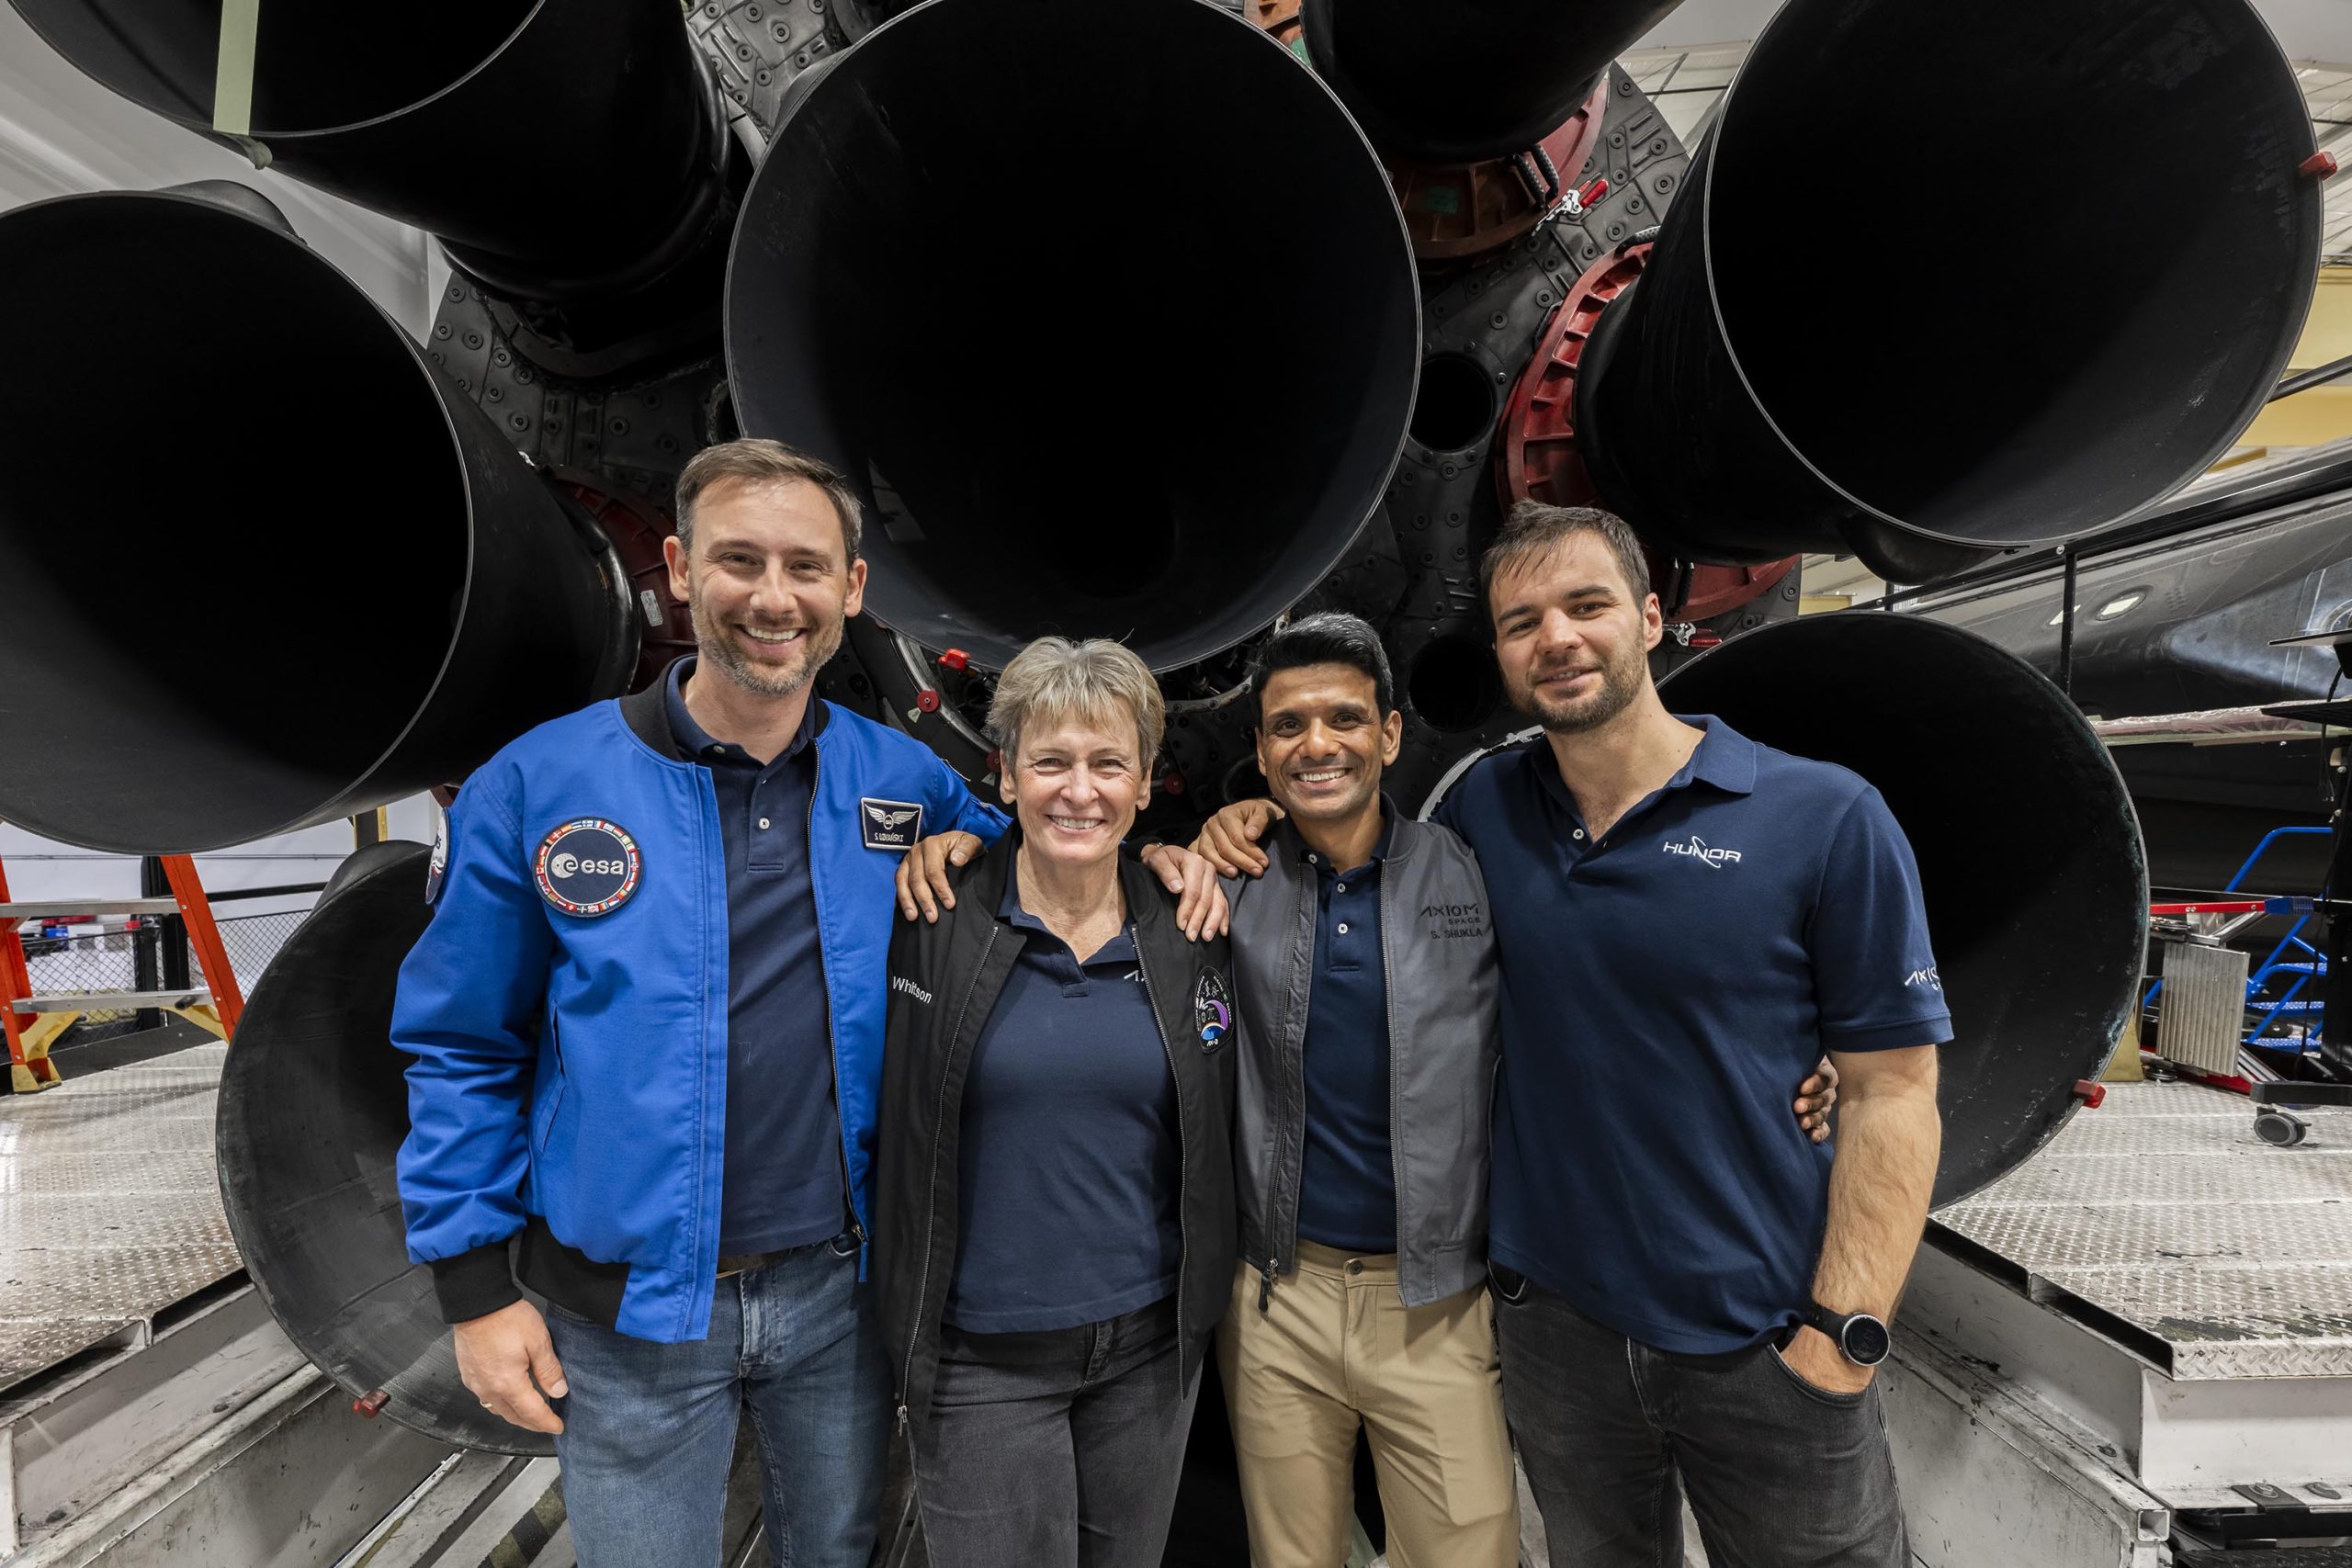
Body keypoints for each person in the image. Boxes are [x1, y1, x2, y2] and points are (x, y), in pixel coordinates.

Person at [390, 440, 1220, 1568]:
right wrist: (475, 1289)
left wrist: (1169, 865)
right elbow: (460, 1043)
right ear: (680, 568)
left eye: (806, 567)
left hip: (843, 1301)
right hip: (630, 1315)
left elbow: (1059, 845)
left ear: (852, 589)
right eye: (740, 560)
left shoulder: (905, 786)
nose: (773, 599)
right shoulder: (540, 786)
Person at [1181, 613, 1838, 1568]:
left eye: (1344, 718)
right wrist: (1182, 845)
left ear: (1390, 734)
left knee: (1470, 1551)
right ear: (1261, 747)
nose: (1317, 744)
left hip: (1435, 1302)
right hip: (1277, 1298)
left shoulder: (1472, 870)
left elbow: (1612, 972)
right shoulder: (1225, 886)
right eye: (1289, 725)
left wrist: (1807, 1049)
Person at [1437, 501, 1946, 1567]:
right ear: (1500, 654)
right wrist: (1230, 830)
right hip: (1557, 1334)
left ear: (1650, 618)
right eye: (1522, 622)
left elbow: (1894, 1087)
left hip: (1765, 1343)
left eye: (1586, 606)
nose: (1556, 638)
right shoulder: (1483, 809)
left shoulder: (1824, 818)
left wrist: (1843, 1335)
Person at [875, 637, 1238, 1568]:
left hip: (1147, 1352)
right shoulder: (931, 915)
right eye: (1050, 762)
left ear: (1144, 783)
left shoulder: (1188, 924)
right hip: (981, 1362)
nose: (1080, 790)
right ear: (1005, 776)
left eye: (1108, 763)